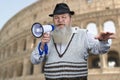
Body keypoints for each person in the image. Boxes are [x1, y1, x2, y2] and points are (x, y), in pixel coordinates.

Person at [31, 3, 115, 80]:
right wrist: (42, 45)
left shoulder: (83, 34)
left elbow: (100, 49)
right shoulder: (46, 39)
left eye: (64, 17)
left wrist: (103, 41)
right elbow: (35, 60)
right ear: (53, 20)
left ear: (70, 19)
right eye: (56, 18)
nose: (60, 20)